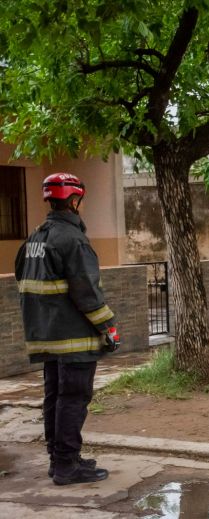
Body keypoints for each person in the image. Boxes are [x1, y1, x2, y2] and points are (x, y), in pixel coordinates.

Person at [15, 173, 120, 485]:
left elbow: (23, 280)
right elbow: (87, 292)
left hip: (45, 337)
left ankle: (61, 459)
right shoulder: (73, 240)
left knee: (55, 398)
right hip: (73, 339)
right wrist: (109, 328)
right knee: (73, 399)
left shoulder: (35, 238)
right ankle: (66, 467)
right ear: (75, 201)